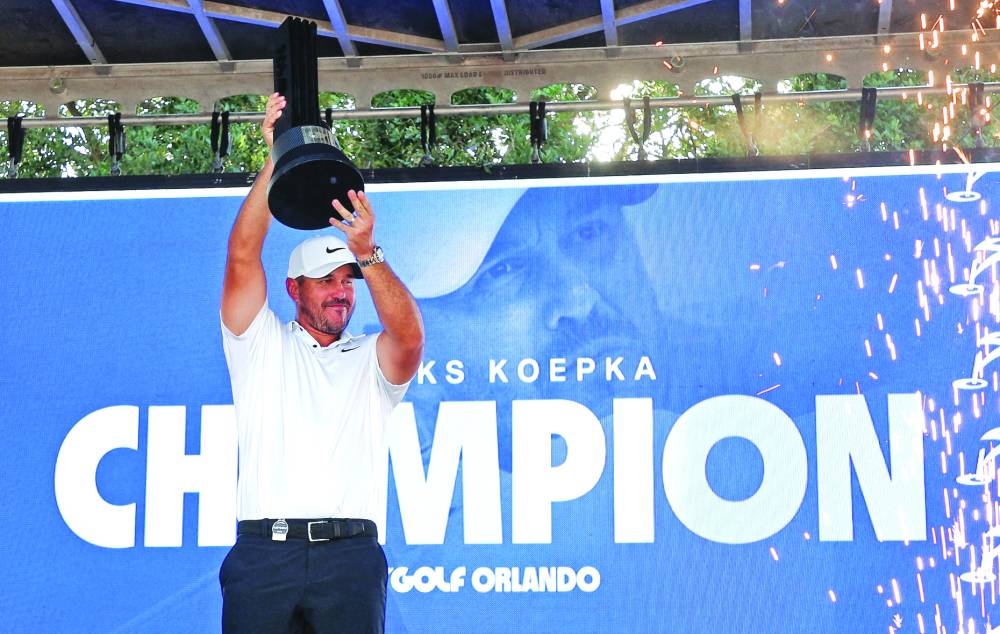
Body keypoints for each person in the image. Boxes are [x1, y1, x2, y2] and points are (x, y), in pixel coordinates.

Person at [218, 92, 424, 633]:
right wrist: (278, 157)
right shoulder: (259, 343)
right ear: (293, 288)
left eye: (346, 281)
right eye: (326, 280)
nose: (341, 292)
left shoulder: (368, 361)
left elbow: (409, 338)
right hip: (266, 553)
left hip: (350, 558)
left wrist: (368, 253)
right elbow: (242, 255)